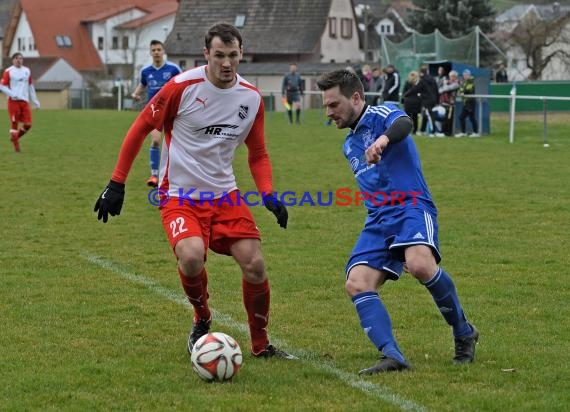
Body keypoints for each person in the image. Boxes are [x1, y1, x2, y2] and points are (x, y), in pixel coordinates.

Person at [94, 22, 296, 361]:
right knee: (190, 257)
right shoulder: (181, 87)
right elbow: (141, 127)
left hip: (226, 196)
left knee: (256, 265)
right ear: (206, 54)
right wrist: (116, 182)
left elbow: (258, 153)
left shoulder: (250, 98)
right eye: (219, 55)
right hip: (180, 196)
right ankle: (201, 316)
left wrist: (268, 194)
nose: (227, 63)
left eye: (233, 55)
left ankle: (261, 345)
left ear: (242, 53)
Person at [316, 69, 478, 374]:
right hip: (379, 218)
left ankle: (464, 331)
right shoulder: (349, 145)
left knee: (420, 265)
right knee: (356, 283)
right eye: (326, 106)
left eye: (333, 104)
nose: (329, 113)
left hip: (412, 206)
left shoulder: (383, 113)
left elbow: (405, 123)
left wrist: (383, 140)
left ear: (356, 97)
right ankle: (392, 355)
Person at [131, 40, 182, 187]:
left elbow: (183, 84)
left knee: (176, 143)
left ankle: (176, 174)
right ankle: (154, 175)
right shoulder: (146, 71)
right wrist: (136, 94)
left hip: (173, 111)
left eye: (159, 49)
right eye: (153, 50)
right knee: (155, 141)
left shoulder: (173, 69)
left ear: (163, 51)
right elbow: (142, 84)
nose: (156, 52)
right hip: (154, 112)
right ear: (150, 52)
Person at [0, 52, 41, 153]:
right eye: (17, 58)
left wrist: (35, 100)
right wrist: (12, 94)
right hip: (13, 102)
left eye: (21, 58)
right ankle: (17, 148)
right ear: (13, 60)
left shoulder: (27, 71)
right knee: (14, 123)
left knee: (28, 124)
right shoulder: (8, 71)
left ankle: (15, 137)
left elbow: (30, 86)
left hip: (24, 101)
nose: (19, 60)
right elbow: (2, 86)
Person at [455, 69, 479, 137]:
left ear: (469, 75)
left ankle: (475, 133)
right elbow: (461, 89)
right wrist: (461, 89)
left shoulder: (471, 81)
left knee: (471, 118)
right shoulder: (464, 82)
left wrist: (462, 91)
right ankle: (464, 132)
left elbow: (468, 89)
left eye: (466, 75)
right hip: (466, 102)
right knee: (463, 117)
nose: (465, 76)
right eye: (464, 75)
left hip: (470, 102)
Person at [417, 65, 439, 136]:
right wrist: (437, 100)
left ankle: (433, 131)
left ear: (421, 72)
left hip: (426, 100)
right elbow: (436, 90)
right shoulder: (432, 79)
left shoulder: (422, 80)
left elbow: (418, 89)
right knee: (425, 114)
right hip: (433, 99)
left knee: (429, 115)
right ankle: (422, 130)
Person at [438, 70, 460, 136]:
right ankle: (442, 132)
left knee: (449, 119)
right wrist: (445, 84)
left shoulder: (456, 84)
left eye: (453, 76)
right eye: (450, 76)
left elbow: (446, 89)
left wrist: (445, 84)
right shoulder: (448, 82)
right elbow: (439, 90)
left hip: (450, 104)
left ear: (456, 77)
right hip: (443, 103)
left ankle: (447, 133)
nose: (451, 78)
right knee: (443, 118)